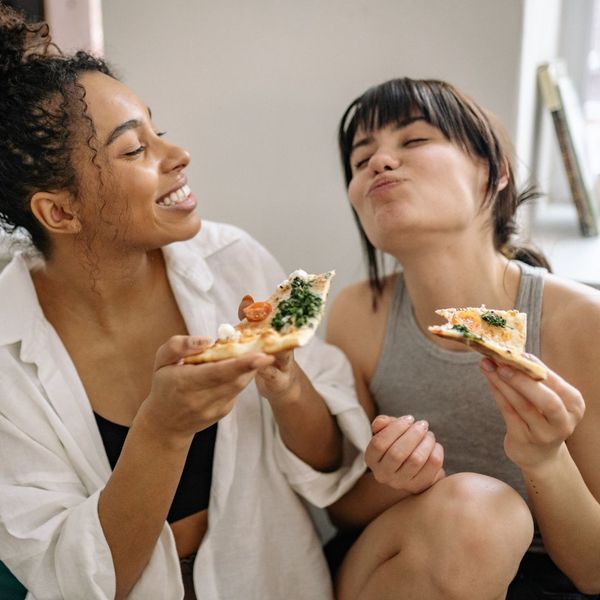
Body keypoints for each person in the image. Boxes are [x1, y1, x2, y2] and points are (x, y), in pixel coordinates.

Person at [0, 6, 371, 599]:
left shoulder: (234, 262)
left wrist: (285, 381)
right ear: (60, 212)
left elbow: (332, 464)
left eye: (158, 130)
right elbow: (78, 581)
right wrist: (163, 430)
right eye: (132, 151)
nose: (178, 156)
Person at [325, 77, 600, 599]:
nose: (380, 163)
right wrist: (397, 480)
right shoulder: (357, 314)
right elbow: (340, 510)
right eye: (362, 160)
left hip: (547, 578)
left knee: (485, 514)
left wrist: (543, 459)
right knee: (477, 512)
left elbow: (594, 570)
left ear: (493, 173)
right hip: (400, 559)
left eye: (413, 141)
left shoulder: (582, 323)